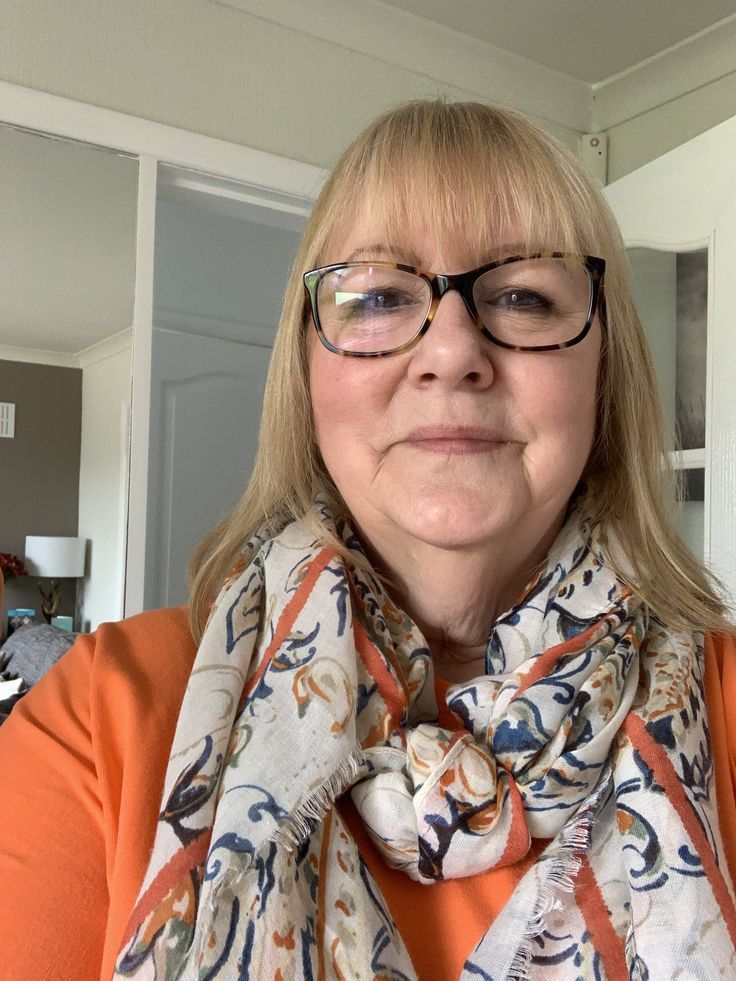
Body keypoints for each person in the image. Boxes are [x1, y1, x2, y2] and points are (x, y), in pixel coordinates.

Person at [2, 100, 735, 980]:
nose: (452, 350)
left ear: (603, 373)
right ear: (305, 373)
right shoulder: (100, 719)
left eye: (524, 296)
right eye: (381, 296)